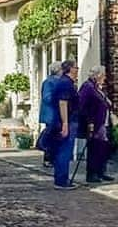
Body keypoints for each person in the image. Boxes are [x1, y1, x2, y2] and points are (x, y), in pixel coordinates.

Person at [78, 65, 114, 183]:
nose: (105, 78)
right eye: (103, 75)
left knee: (102, 148)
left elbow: (104, 103)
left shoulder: (97, 87)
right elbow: (83, 106)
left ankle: (100, 172)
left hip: (103, 122)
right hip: (95, 123)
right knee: (94, 148)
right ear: (98, 75)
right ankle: (92, 174)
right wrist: (90, 121)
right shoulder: (87, 87)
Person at [51, 59, 80, 190]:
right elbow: (63, 103)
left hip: (66, 120)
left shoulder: (65, 82)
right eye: (76, 67)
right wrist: (65, 123)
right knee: (64, 150)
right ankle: (61, 180)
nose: (78, 69)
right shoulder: (65, 83)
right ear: (71, 69)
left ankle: (61, 178)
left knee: (63, 150)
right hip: (67, 121)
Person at [38, 62, 61, 168]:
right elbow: (47, 97)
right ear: (57, 70)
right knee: (51, 136)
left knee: (56, 137)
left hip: (57, 114)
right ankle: (47, 158)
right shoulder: (49, 82)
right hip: (51, 114)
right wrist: (61, 99)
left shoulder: (59, 81)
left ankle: (53, 158)